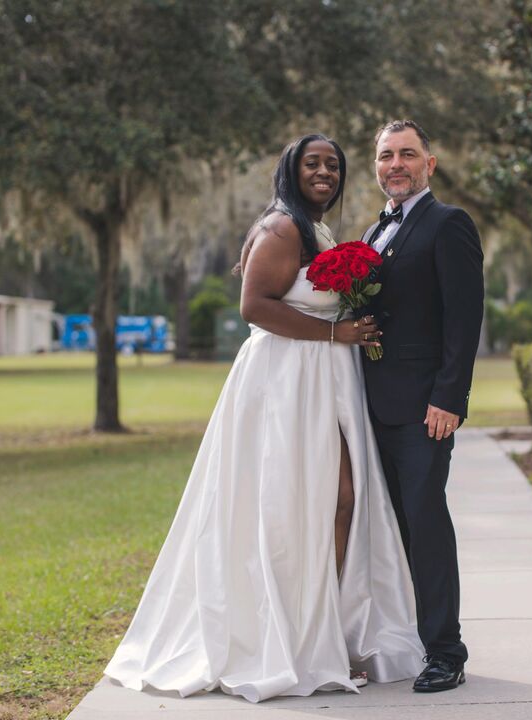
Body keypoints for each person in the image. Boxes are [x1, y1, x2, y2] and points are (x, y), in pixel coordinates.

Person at [103, 134, 424, 703]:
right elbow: (253, 306)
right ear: (290, 171)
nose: (324, 172)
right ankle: (291, 641)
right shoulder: (281, 228)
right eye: (312, 163)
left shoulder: (316, 230)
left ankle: (321, 632)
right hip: (284, 384)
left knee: (335, 501)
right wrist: (335, 332)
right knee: (296, 506)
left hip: (321, 381)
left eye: (333, 165)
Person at [359, 120, 485, 692]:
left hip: (422, 411)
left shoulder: (448, 223)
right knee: (386, 528)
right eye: (387, 155)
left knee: (425, 523)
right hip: (368, 405)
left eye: (407, 154)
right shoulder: (374, 231)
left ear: (429, 164)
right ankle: (393, 639)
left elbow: (464, 316)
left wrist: (449, 397)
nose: (396, 165)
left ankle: (445, 652)